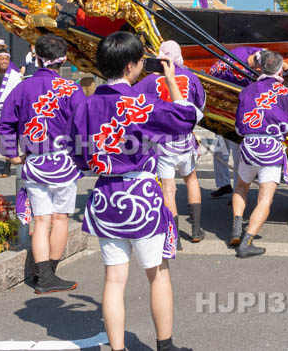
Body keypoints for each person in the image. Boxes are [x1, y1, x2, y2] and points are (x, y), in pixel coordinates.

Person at [73, 31, 197, 351]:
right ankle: (165, 345)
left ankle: (117, 349)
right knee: (157, 274)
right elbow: (185, 119)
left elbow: (78, 157)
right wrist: (171, 80)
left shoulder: (86, 105)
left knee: (114, 279)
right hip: (141, 196)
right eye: (142, 61)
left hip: (104, 196)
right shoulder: (140, 104)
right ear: (130, 66)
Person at [0, 34, 86, 294]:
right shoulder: (72, 90)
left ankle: (43, 275)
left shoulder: (22, 88)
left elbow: (6, 124)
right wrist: (84, 159)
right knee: (60, 218)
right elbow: (84, 129)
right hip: (64, 163)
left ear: (36, 57)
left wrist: (11, 153)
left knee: (41, 220)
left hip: (34, 162)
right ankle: (49, 275)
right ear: (64, 59)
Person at [230, 50, 288, 257]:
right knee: (265, 198)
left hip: (249, 145)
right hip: (271, 148)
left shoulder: (246, 91)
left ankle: (236, 227)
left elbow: (238, 127)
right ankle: (246, 241)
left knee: (241, 186)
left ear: (260, 68)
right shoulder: (287, 94)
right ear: (280, 70)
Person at [135, 40, 207, 243]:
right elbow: (200, 104)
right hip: (185, 138)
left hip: (161, 140)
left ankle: (173, 236)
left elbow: (136, 103)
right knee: (191, 179)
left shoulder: (149, 81)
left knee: (168, 188)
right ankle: (195, 230)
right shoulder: (192, 77)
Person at [208, 46, 260, 198]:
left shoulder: (241, 51)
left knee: (232, 153)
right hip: (224, 110)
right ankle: (224, 185)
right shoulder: (247, 77)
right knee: (223, 151)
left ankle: (237, 190)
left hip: (231, 112)